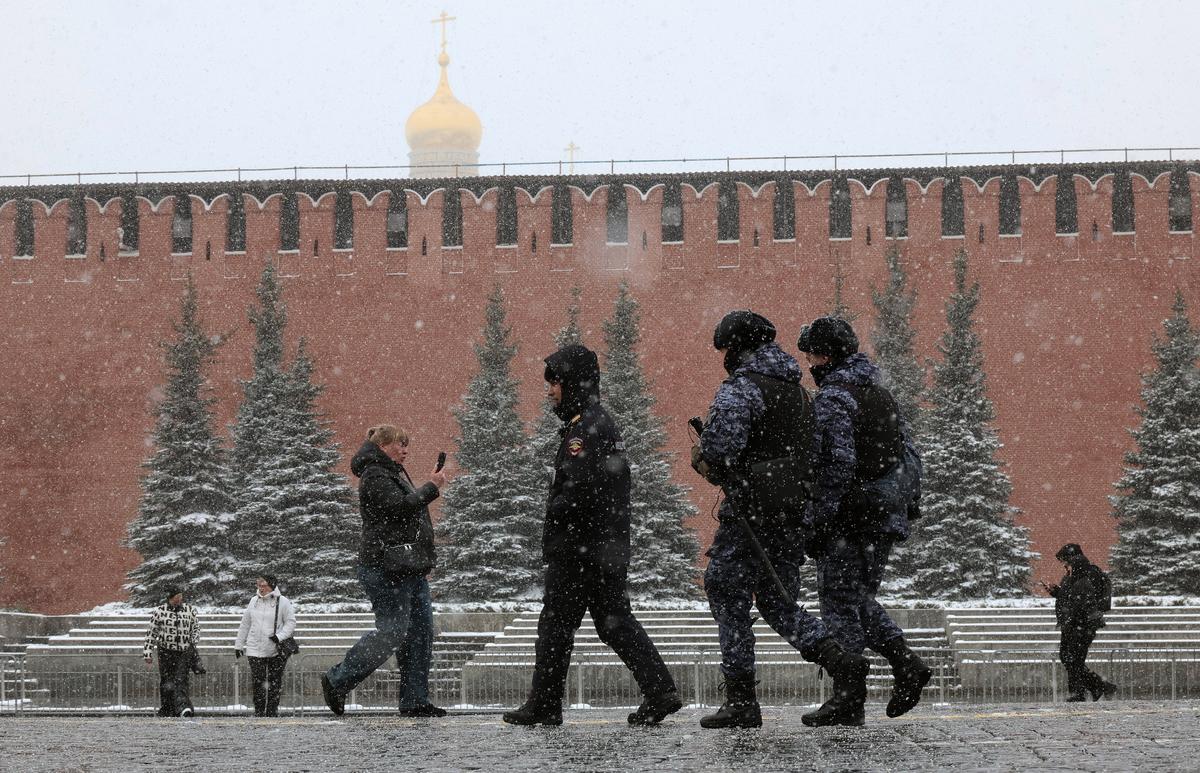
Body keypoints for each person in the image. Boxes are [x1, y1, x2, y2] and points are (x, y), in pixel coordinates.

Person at [692, 310, 869, 729]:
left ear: (737, 347)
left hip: (749, 514)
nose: (724, 357)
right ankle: (841, 661)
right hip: (791, 515)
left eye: (725, 349)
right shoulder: (799, 392)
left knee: (726, 593)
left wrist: (702, 457)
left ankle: (742, 701)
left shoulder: (742, 389)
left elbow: (720, 451)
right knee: (778, 603)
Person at [503, 343, 682, 727]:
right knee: (614, 621)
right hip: (603, 546)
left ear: (572, 383)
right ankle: (660, 690)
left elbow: (577, 490)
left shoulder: (585, 428)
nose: (550, 391)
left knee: (556, 625)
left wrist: (557, 531)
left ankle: (545, 704)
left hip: (580, 547)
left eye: (555, 383)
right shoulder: (597, 422)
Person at [797, 316, 929, 726]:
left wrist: (817, 520)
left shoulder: (835, 398)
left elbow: (835, 466)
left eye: (813, 355)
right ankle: (906, 664)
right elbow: (909, 455)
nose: (810, 363)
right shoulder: (879, 393)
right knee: (856, 597)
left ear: (829, 356)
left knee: (838, 600)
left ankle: (849, 694)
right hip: (882, 514)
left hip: (849, 517)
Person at [320, 424, 449, 717]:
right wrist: (431, 487)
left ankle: (415, 700)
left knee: (420, 633)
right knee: (393, 631)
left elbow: (406, 512)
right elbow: (400, 508)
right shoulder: (374, 475)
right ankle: (337, 679)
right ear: (383, 446)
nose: (405, 451)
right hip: (386, 568)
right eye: (401, 445)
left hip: (408, 568)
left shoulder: (390, 472)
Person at [1045, 543, 1117, 702]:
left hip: (1082, 624)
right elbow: (1071, 597)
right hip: (1072, 623)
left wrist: (1077, 614)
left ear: (1072, 558)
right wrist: (1056, 592)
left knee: (1074, 660)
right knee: (1068, 658)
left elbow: (1083, 600)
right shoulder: (1073, 575)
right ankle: (1100, 686)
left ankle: (1079, 693)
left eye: (1065, 561)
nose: (1063, 565)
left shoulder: (1086, 574)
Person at [233, 574, 296, 717]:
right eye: (259, 585)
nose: (261, 588)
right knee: (258, 682)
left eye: (264, 585)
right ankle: (259, 711)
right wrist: (239, 645)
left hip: (275, 649)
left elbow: (291, 622)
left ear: (272, 586)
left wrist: (279, 637)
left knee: (274, 682)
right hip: (254, 648)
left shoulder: (283, 602)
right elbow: (246, 623)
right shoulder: (253, 601)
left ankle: (272, 710)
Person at [142, 588, 200, 718]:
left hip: (184, 651)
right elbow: (151, 633)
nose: (180, 599)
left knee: (181, 680)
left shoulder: (189, 610)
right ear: (170, 597)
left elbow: (196, 628)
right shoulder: (160, 611)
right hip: (166, 651)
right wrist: (148, 652)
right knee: (167, 682)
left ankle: (184, 707)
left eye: (181, 596)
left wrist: (193, 642)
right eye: (177, 596)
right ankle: (168, 708)